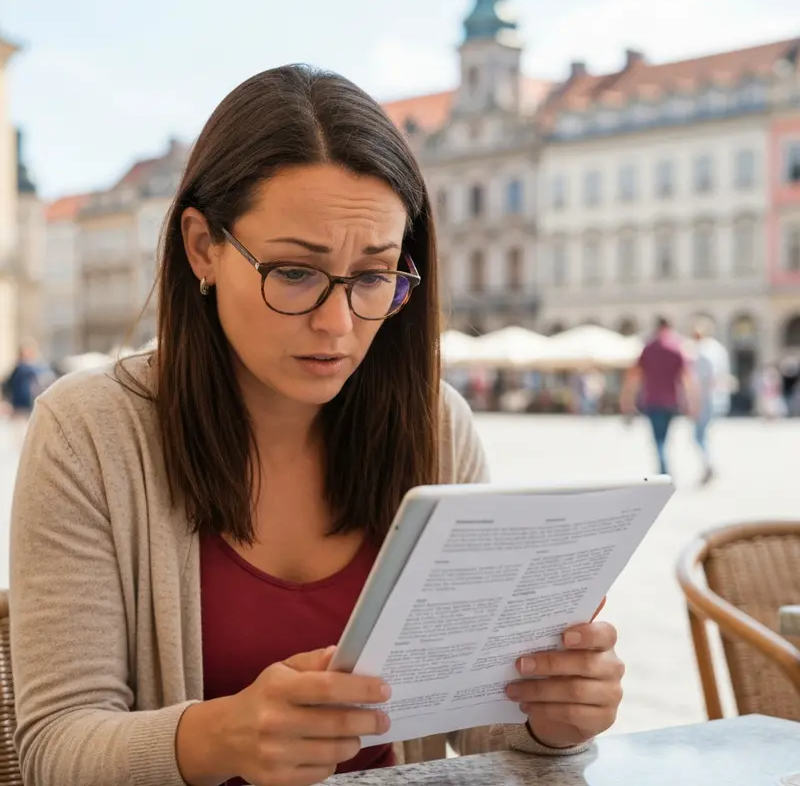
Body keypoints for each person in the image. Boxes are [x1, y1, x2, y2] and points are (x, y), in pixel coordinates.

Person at [9, 65, 624, 786]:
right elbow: (51, 752)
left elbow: (472, 721)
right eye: (295, 273)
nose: (337, 326)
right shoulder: (89, 431)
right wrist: (220, 737)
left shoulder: (433, 423)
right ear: (202, 247)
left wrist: (550, 714)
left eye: (373, 276)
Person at [620, 317, 697, 477]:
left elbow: (634, 377)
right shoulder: (676, 348)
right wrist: (691, 402)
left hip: (652, 401)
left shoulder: (648, 349)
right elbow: (686, 378)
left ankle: (663, 470)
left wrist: (627, 401)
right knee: (665, 437)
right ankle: (664, 468)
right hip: (671, 401)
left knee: (658, 439)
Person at [689, 321, 731, 484]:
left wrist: (695, 401)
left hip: (706, 398)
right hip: (719, 397)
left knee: (699, 435)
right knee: (706, 434)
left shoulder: (703, 351)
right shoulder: (718, 348)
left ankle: (709, 464)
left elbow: (705, 378)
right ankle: (709, 463)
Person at [1, 339, 55, 446]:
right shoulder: (20, 369)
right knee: (22, 436)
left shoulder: (38, 369)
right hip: (21, 406)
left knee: (31, 434)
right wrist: (9, 400)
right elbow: (6, 386)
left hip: (33, 405)